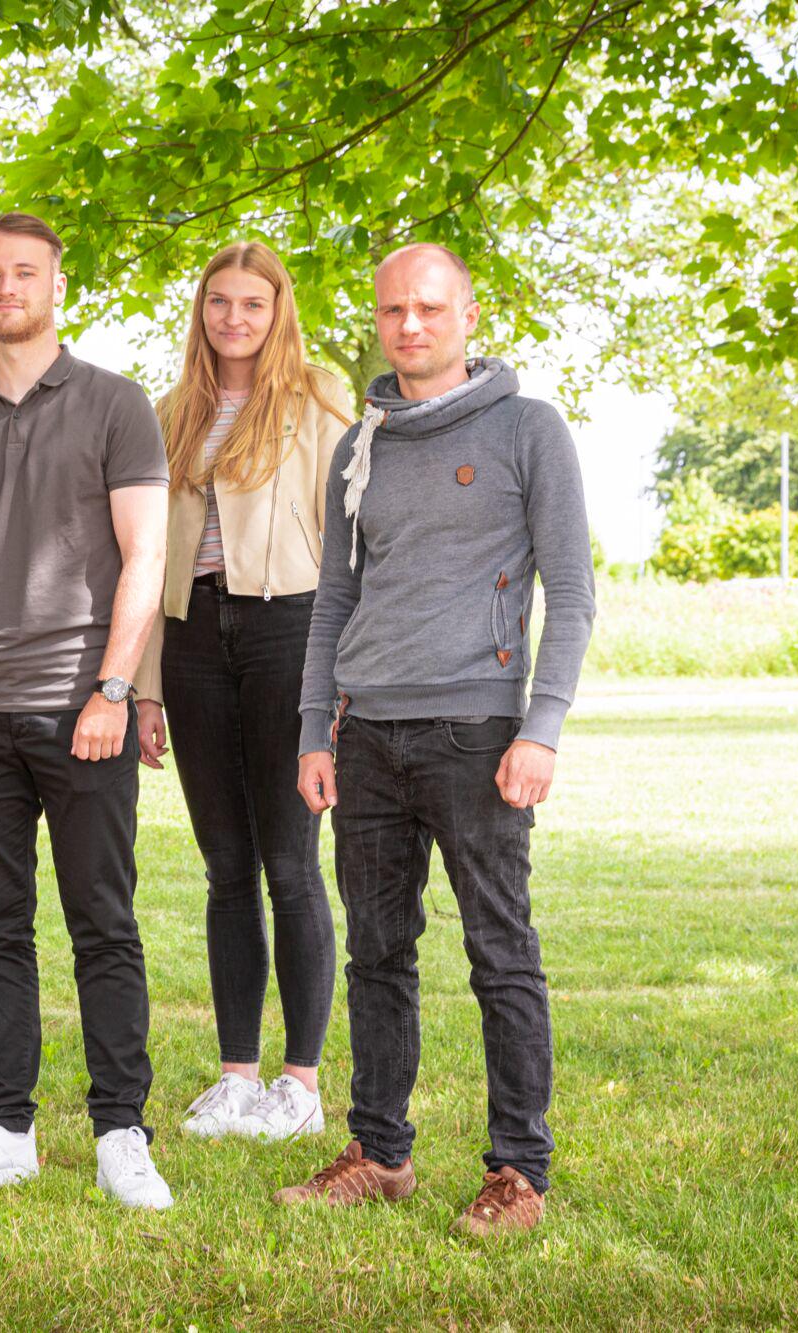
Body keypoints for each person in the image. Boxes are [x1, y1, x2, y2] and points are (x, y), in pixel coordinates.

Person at [272, 243, 595, 1238]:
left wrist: (538, 728)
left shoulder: (525, 429)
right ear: (374, 321)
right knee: (376, 955)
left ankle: (517, 1171)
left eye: (427, 308)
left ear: (465, 314)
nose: (407, 325)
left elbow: (571, 593)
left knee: (499, 954)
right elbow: (335, 597)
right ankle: (379, 1151)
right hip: (364, 735)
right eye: (389, 310)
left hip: (476, 733)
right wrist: (312, 724)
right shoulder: (357, 445)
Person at [0, 213, 173, 1210]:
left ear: (57, 283)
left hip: (76, 707)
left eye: (23, 272)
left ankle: (119, 1132)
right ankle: (2, 1125)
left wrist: (112, 687)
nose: (4, 286)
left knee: (102, 921)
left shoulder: (112, 403)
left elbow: (144, 554)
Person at [131, 242, 354, 1141]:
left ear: (278, 310)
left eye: (252, 304)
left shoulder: (322, 405)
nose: (234, 319)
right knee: (227, 870)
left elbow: (349, 553)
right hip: (190, 640)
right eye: (219, 303)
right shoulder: (169, 412)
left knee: (291, 866)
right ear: (202, 312)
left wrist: (335, 685)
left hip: (287, 635)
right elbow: (143, 562)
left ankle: (298, 1084)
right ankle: (236, 1075)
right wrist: (144, 689)